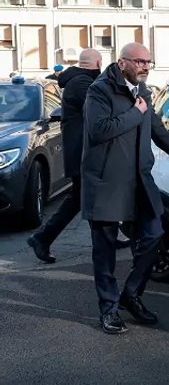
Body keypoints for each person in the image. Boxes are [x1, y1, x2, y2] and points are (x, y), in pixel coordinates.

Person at [82, 43, 169, 334]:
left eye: (149, 62)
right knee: (105, 251)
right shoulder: (99, 90)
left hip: (139, 179)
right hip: (106, 181)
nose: (146, 67)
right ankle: (108, 310)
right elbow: (98, 131)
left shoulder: (142, 91)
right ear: (122, 63)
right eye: (140, 62)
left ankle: (130, 295)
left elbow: (156, 128)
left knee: (155, 234)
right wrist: (135, 113)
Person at [28, 49, 125, 263]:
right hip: (82, 153)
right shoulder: (81, 84)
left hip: (83, 151)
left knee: (87, 197)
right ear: (98, 62)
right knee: (81, 198)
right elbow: (103, 108)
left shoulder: (79, 81)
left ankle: (107, 238)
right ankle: (42, 238)